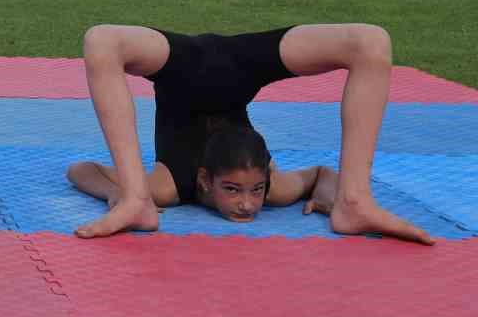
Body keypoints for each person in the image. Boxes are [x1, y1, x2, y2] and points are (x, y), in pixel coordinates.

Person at [64, 24, 433, 245]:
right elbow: (81, 170)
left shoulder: (265, 188)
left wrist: (334, 193)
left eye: (257, 191)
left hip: (236, 65)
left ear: (266, 176)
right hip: (188, 65)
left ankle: (356, 203)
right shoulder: (171, 184)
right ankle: (134, 202)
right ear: (205, 181)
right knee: (99, 40)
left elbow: (321, 174)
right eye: (235, 190)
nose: (248, 203)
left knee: (374, 41)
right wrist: (123, 190)